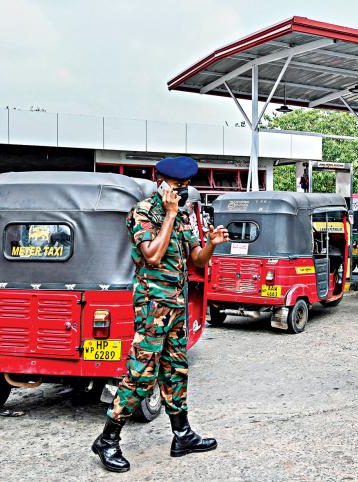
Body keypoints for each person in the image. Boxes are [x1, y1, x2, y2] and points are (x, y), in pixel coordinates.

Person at [91, 156, 229, 473]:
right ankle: (107, 440)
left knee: (176, 370)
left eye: (186, 186)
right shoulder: (142, 213)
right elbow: (152, 255)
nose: (182, 192)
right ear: (161, 183)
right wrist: (169, 215)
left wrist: (212, 244)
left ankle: (182, 435)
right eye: (177, 186)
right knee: (141, 374)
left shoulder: (182, 215)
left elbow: (197, 259)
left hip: (176, 305)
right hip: (153, 306)